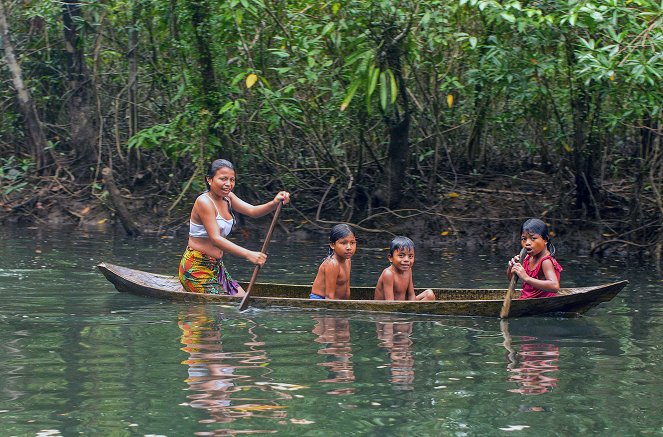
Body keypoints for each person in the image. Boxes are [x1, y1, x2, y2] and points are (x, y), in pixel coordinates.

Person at [179, 159, 290, 296]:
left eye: (232, 180)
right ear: (209, 180)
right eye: (223, 179)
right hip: (196, 267)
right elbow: (215, 239)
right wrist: (249, 254)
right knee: (226, 308)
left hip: (217, 267)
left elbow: (253, 211)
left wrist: (274, 202)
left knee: (240, 301)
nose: (228, 184)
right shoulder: (204, 202)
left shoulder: (228, 198)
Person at [507, 218, 563, 299]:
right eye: (524, 239)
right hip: (525, 299)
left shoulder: (546, 261)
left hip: (542, 303)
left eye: (533, 238)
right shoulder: (526, 258)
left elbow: (554, 286)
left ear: (545, 240)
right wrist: (511, 268)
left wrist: (526, 278)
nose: (527, 243)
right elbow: (511, 280)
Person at [374, 236, 435, 301]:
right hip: (390, 306)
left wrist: (413, 307)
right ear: (390, 258)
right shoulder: (388, 274)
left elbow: (411, 295)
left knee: (429, 294)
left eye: (410, 256)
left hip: (403, 306)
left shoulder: (408, 270)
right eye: (401, 255)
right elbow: (390, 303)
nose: (406, 259)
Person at [310, 224, 356, 300]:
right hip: (320, 301)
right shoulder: (332, 264)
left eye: (352, 243)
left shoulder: (348, 260)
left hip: (336, 301)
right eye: (343, 243)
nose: (349, 247)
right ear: (332, 245)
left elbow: (347, 289)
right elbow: (329, 296)